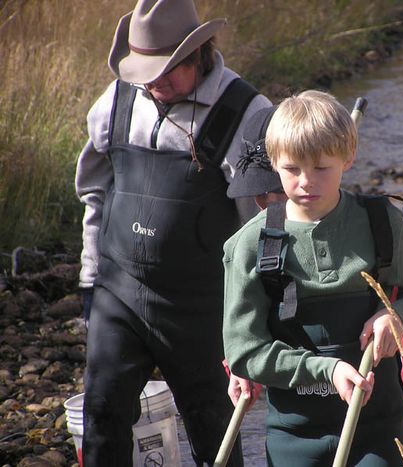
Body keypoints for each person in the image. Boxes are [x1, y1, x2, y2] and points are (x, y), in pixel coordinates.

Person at [74, 0, 271, 464]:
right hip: (119, 292)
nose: (153, 84)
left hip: (203, 306)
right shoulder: (116, 101)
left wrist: (257, 311)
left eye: (165, 72)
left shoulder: (246, 111)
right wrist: (88, 280)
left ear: (198, 54)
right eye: (145, 73)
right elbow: (94, 195)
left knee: (214, 433)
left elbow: (262, 222)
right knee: (101, 411)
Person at [222, 89, 403, 466]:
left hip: (378, 437)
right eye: (292, 169)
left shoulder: (381, 224)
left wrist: (397, 315)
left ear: (348, 158)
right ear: (273, 163)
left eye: (320, 167)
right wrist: (326, 370)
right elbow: (244, 351)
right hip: (292, 438)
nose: (305, 182)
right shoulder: (250, 245)